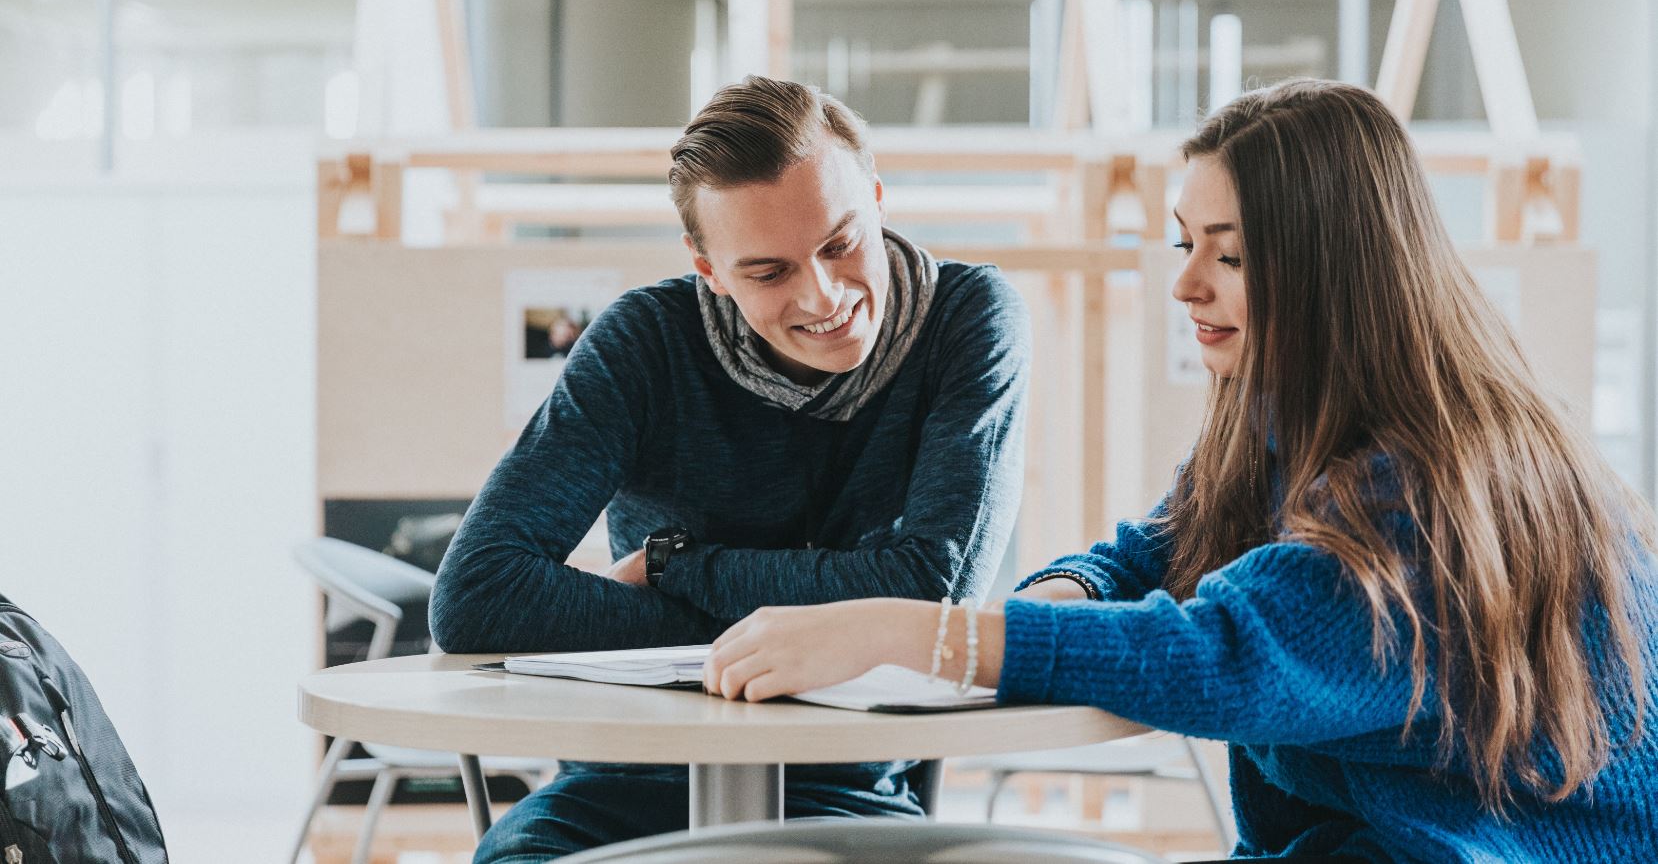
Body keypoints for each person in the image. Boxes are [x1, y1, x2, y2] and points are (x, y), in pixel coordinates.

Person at [704, 79, 1658, 862]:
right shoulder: (1288, 411)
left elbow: (1224, 656)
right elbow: (1160, 547)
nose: (1187, 284)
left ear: (1336, 270)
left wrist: (914, 634)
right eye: (1184, 242)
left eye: (1230, 256)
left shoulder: (1426, 492)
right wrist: (1068, 591)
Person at [430, 76, 1030, 861]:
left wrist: (680, 568)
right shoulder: (645, 343)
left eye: (841, 243)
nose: (823, 294)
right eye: (769, 272)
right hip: (625, 779)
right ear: (708, 267)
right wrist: (817, 627)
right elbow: (478, 595)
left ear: (879, 200)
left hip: (842, 788)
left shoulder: (968, 319)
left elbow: (931, 593)